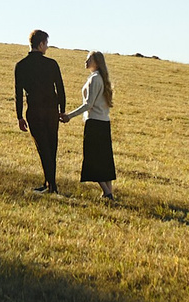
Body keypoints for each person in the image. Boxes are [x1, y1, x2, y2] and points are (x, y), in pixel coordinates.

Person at [14, 30, 66, 193]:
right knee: (51, 147)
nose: (47, 47)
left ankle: (50, 184)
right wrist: (62, 110)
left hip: (34, 111)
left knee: (42, 147)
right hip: (51, 110)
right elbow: (60, 89)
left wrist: (19, 116)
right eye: (46, 44)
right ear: (41, 44)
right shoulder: (51, 64)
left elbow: (18, 93)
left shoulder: (21, 65)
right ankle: (50, 184)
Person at [64, 50, 117, 202]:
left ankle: (107, 192)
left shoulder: (95, 79)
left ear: (97, 63)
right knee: (104, 159)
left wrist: (69, 116)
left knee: (93, 158)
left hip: (94, 122)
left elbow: (88, 104)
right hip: (104, 123)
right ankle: (108, 191)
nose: (86, 62)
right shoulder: (101, 78)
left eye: (89, 60)